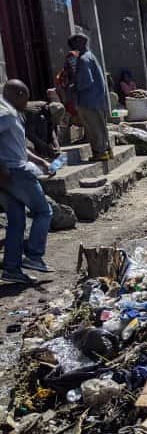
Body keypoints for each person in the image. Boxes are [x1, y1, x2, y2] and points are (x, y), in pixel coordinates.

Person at [0, 80, 54, 284]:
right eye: (26, 97)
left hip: (9, 173)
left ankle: (11, 269)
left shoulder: (8, 111)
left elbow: (18, 147)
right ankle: (34, 256)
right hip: (14, 173)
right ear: (20, 94)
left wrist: (41, 162)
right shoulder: (6, 114)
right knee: (44, 211)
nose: (28, 102)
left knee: (16, 221)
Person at [68, 34, 111, 162]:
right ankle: (106, 150)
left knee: (93, 128)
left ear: (79, 42)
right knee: (101, 126)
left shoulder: (83, 59)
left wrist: (73, 87)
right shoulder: (90, 56)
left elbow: (86, 81)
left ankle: (100, 153)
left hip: (88, 100)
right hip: (97, 99)